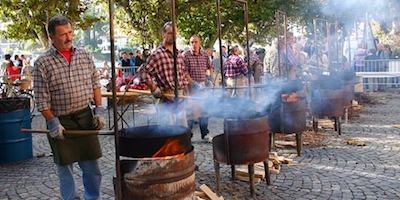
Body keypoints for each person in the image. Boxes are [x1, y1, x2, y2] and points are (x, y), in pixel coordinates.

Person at [33, 15, 104, 200]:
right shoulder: (42, 63)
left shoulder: (84, 55)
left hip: (85, 118)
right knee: (65, 170)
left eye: (70, 32)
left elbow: (96, 84)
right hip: (61, 121)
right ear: (51, 37)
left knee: (93, 168)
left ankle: (93, 198)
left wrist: (98, 110)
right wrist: (53, 121)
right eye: (63, 34)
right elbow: (41, 99)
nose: (69, 37)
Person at [139, 21, 190, 127]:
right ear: (163, 34)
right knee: (168, 135)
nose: (172, 36)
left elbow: (183, 75)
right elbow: (143, 73)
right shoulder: (157, 54)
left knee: (183, 133)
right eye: (170, 33)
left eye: (174, 33)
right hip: (166, 100)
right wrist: (154, 88)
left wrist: (186, 93)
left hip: (180, 101)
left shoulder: (179, 55)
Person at [183, 35, 211, 139]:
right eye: (192, 42)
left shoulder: (204, 55)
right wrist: (193, 83)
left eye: (196, 42)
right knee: (191, 111)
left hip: (203, 87)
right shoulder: (186, 55)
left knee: (204, 110)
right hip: (191, 88)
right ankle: (188, 136)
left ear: (200, 42)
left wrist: (209, 79)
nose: (194, 44)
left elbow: (209, 68)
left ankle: (205, 133)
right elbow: (184, 72)